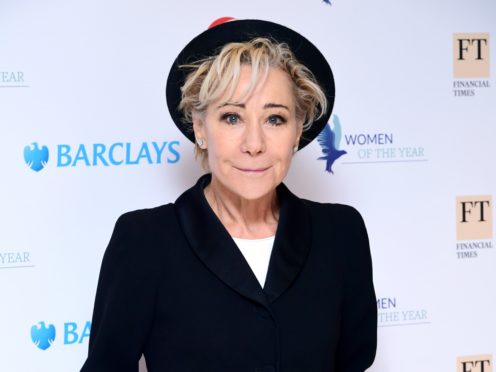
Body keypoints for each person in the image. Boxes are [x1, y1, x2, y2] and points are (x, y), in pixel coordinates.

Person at [80, 19, 377, 372]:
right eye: (232, 117)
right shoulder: (145, 240)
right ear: (200, 128)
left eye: (275, 119)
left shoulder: (341, 233)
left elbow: (354, 362)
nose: (254, 144)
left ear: (298, 130)